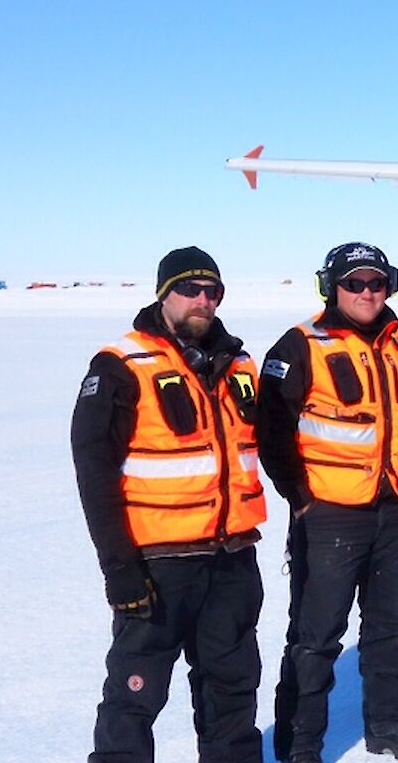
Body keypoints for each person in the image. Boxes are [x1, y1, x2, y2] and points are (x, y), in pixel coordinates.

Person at [72, 247, 267, 762]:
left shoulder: (239, 364)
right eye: (190, 289)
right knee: (135, 694)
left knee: (233, 688)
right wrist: (119, 569)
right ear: (164, 294)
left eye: (213, 291)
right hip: (159, 566)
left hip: (232, 558)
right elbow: (94, 476)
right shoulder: (120, 365)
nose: (203, 300)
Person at [259, 243, 398, 763]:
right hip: (330, 514)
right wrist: (300, 498)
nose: (366, 293)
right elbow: (272, 430)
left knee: (394, 627)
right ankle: (300, 744)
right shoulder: (300, 345)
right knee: (315, 637)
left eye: (375, 283)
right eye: (354, 283)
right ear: (331, 287)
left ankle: (393, 726)